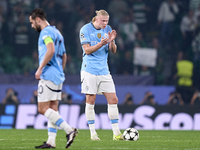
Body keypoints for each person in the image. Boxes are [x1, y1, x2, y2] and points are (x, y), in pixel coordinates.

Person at [29, 8, 77, 149]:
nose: (32, 26)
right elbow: (64, 56)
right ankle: (51, 142)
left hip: (48, 74)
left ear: (38, 19)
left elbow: (51, 50)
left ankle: (69, 130)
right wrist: (60, 71)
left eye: (32, 22)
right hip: (58, 75)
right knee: (53, 108)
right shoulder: (57, 33)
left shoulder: (46, 33)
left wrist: (40, 68)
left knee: (42, 109)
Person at [79, 10, 123, 141]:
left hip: (104, 71)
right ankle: (93, 133)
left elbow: (113, 51)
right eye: (103, 21)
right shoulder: (85, 30)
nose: (105, 23)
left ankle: (116, 133)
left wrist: (112, 42)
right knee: (91, 100)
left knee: (113, 99)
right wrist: (101, 43)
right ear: (95, 19)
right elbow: (86, 50)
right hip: (89, 70)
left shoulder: (107, 29)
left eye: (107, 21)